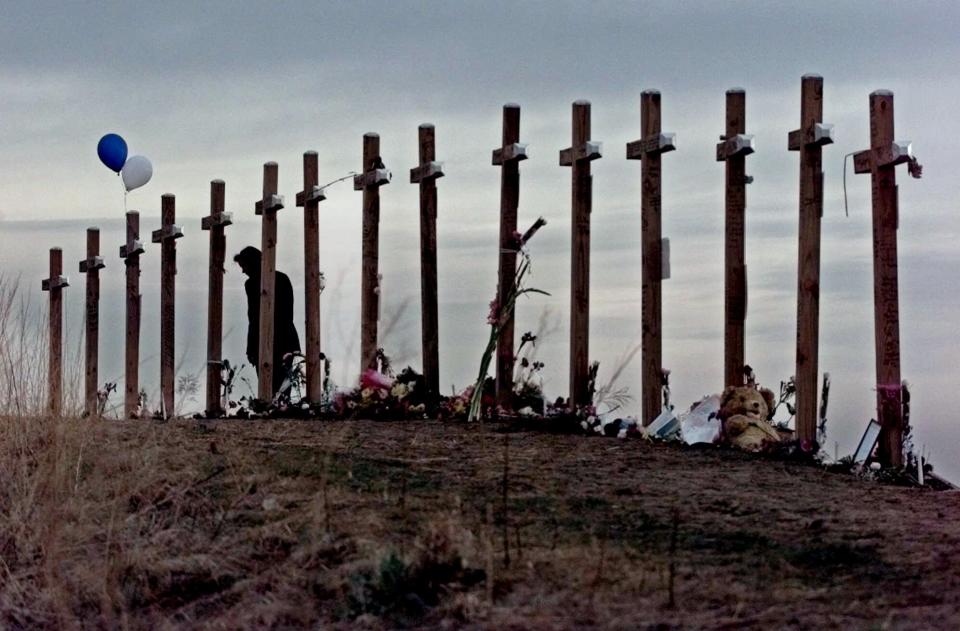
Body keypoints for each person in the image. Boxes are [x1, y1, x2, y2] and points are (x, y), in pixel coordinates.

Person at [233, 246, 301, 396]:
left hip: (281, 340)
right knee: (270, 389)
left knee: (281, 387)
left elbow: (285, 314)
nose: (243, 271)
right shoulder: (251, 284)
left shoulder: (279, 280)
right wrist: (251, 347)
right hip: (266, 341)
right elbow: (253, 317)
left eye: (244, 266)